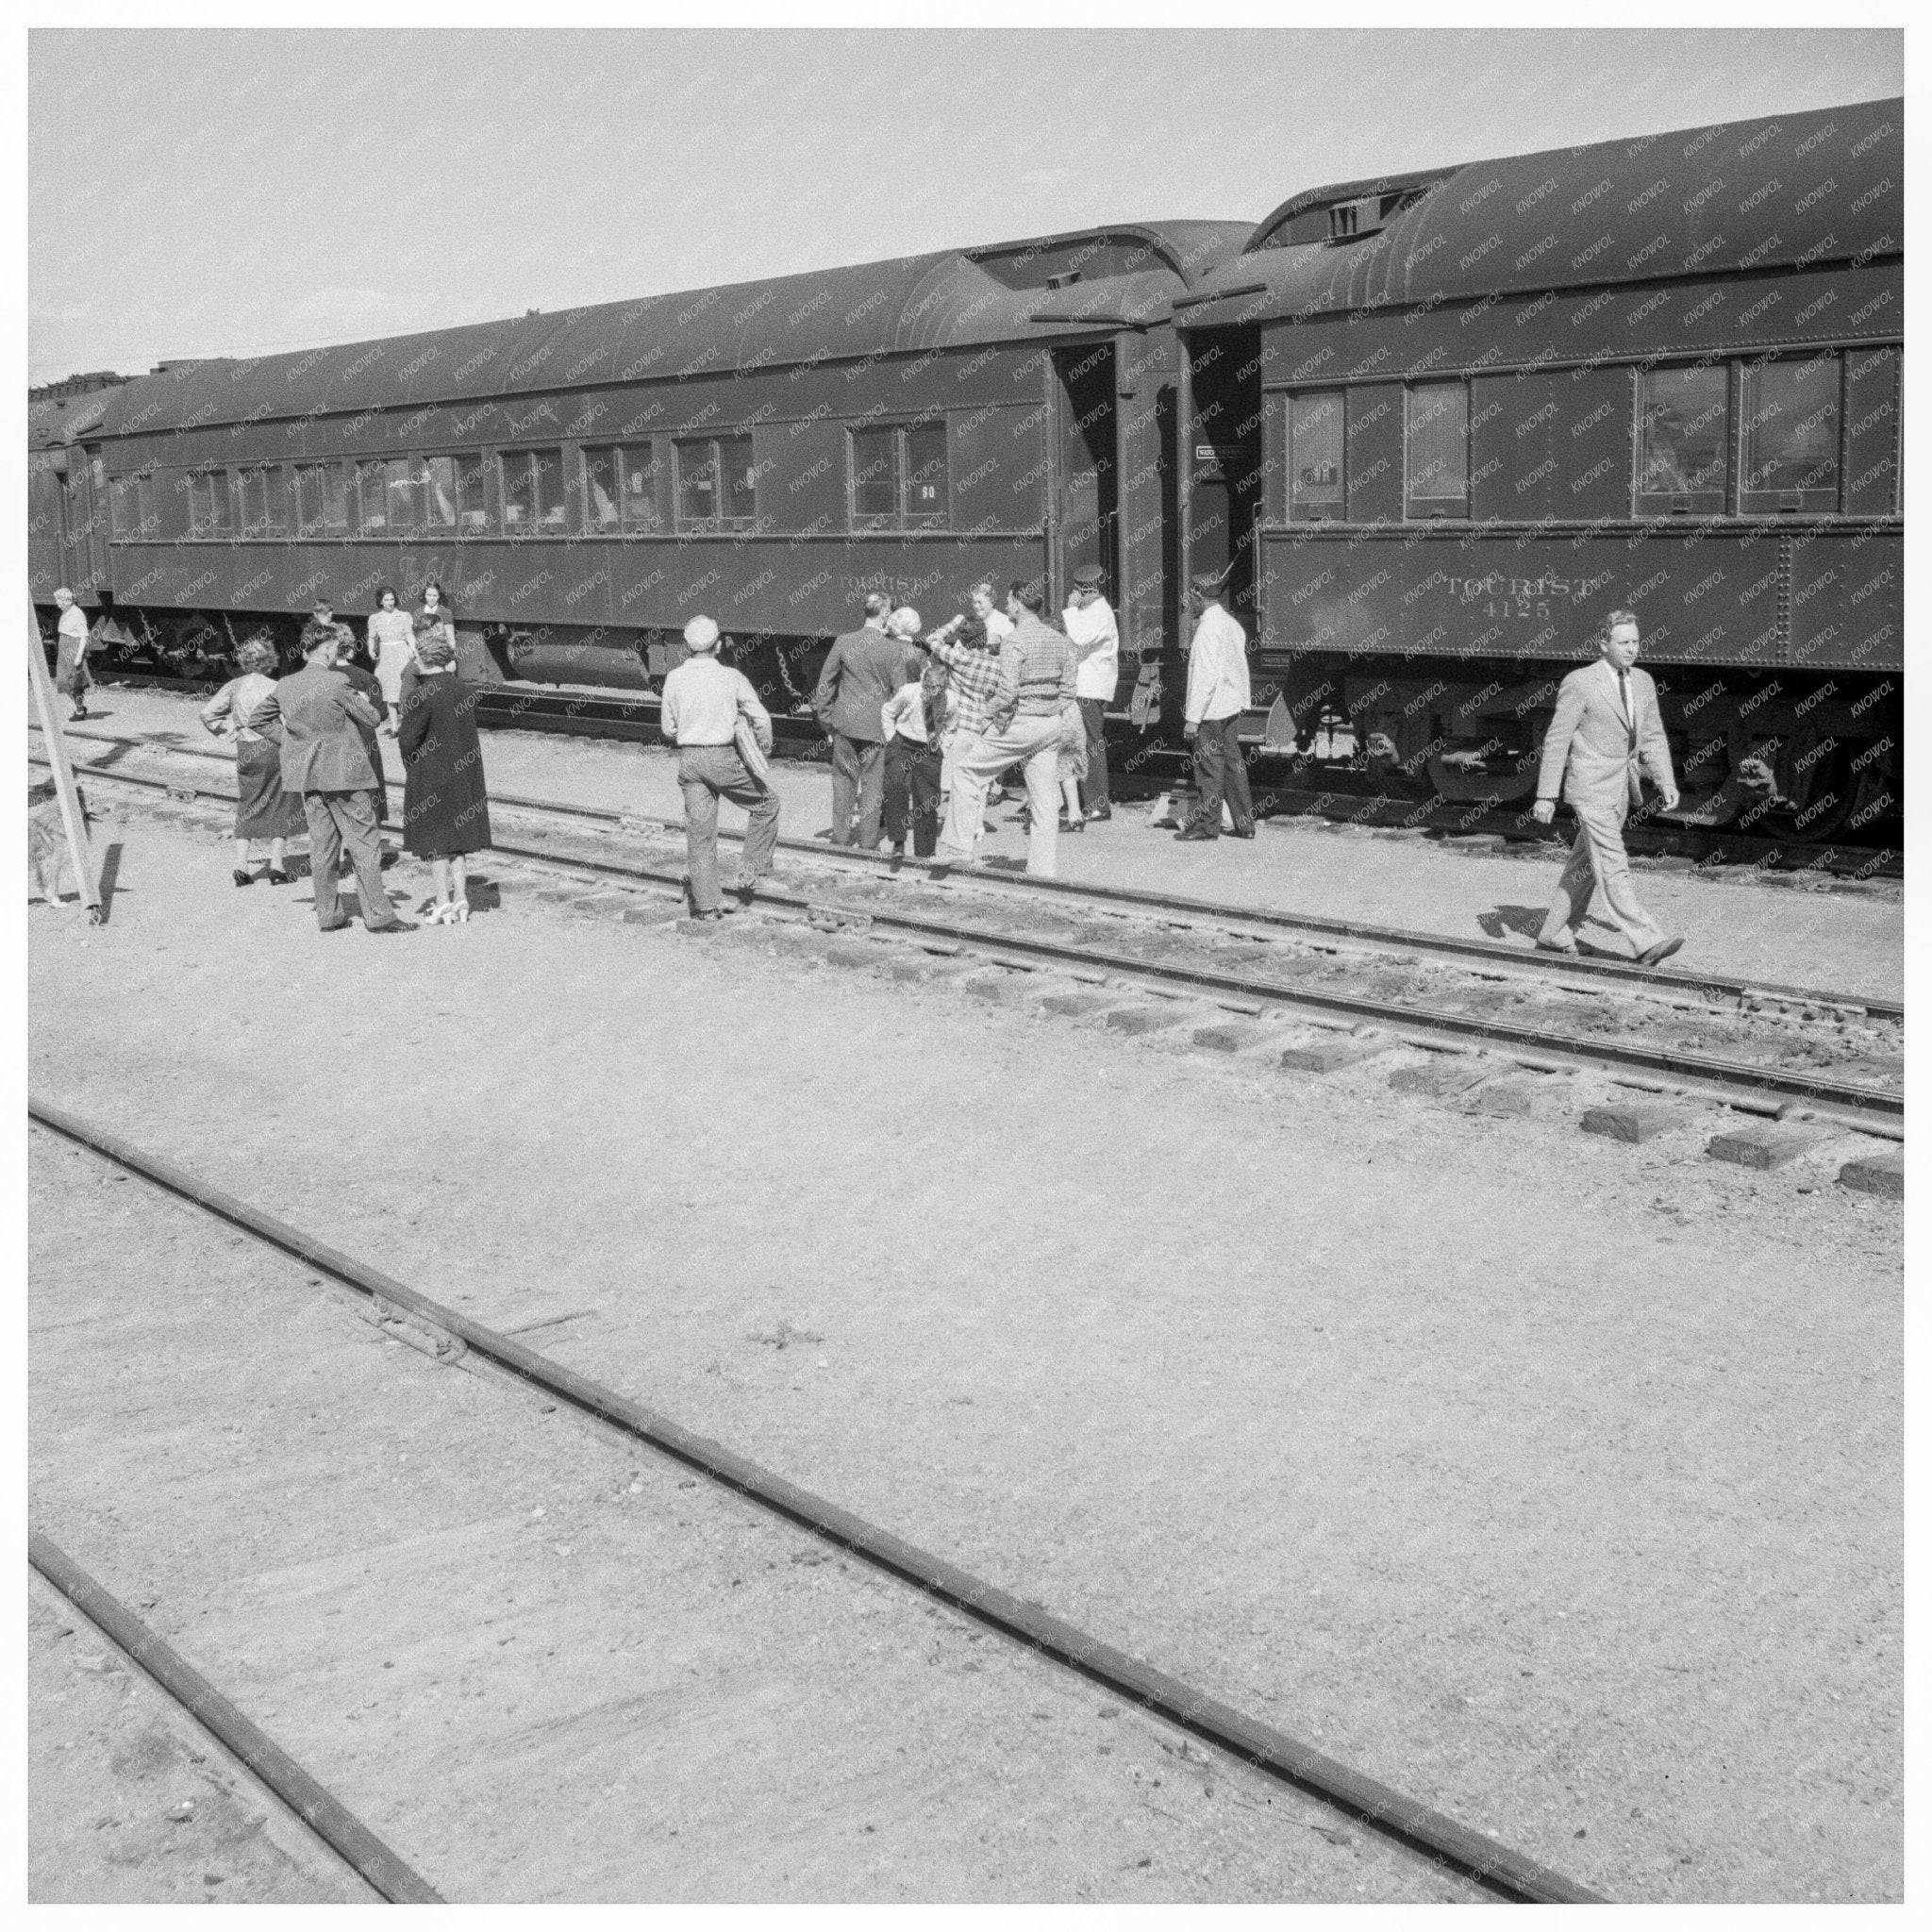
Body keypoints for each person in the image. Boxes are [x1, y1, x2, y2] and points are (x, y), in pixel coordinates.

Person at [1532, 608, 1684, 965]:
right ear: (1603, 644)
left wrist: (1665, 781)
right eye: (1624, 642)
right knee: (1613, 863)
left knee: (1585, 864)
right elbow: (1557, 741)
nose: (1632, 649)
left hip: (1621, 788)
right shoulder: (1580, 681)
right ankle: (1647, 940)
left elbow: (1652, 736)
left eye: (1636, 642)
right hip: (1590, 788)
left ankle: (1552, 932)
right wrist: (1545, 795)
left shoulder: (1644, 682)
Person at [252, 627, 411, 934]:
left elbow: (258, 719)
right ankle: (379, 916)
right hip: (345, 776)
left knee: (323, 848)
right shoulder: (337, 682)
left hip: (309, 777)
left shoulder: (286, 684)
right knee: (364, 844)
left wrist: (291, 742)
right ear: (326, 650)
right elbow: (373, 718)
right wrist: (362, 698)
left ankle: (329, 916)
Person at [935, 581, 1076, 878]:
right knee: (1044, 799)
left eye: (1009, 601)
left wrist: (987, 716)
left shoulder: (1014, 640)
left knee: (966, 772)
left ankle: (956, 850)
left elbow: (1008, 692)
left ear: (1016, 604)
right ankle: (1042, 870)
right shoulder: (1060, 639)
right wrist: (1050, 711)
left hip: (1020, 722)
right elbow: (1069, 691)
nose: (1007, 606)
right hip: (1051, 726)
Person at [660, 614, 778, 921]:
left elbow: (668, 729)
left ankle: (707, 907)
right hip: (722, 758)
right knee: (767, 804)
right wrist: (762, 747)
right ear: (718, 644)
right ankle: (750, 873)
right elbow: (762, 718)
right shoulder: (732, 677)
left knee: (700, 836)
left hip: (689, 760)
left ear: (687, 645)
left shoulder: (673, 678)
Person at [397, 631, 491, 924]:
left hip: (431, 776)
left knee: (436, 843)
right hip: (463, 773)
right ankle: (462, 900)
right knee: (458, 841)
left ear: (423, 658)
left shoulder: (420, 695)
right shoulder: (463, 689)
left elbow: (408, 741)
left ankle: (442, 902)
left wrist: (413, 767)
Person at [199, 635, 302, 886]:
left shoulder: (234, 685)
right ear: (270, 661)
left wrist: (230, 729)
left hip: (246, 748)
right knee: (281, 803)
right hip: (273, 748)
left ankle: (241, 868)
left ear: (244, 661)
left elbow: (207, 713)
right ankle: (276, 867)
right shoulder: (276, 686)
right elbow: (289, 720)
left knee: (248, 803)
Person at [811, 591, 906, 847]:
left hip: (845, 724)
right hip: (876, 727)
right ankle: (868, 842)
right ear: (885, 613)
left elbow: (825, 685)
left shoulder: (843, 641)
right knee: (873, 786)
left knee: (843, 782)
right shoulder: (893, 649)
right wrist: (893, 727)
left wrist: (826, 719)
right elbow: (900, 694)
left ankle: (840, 839)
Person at [1176, 571, 1256, 841]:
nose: (1189, 600)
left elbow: (1205, 678)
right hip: (1230, 708)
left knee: (1209, 769)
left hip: (1210, 711)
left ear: (1199, 594)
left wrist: (1192, 718)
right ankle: (1245, 825)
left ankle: (1207, 827)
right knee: (1234, 765)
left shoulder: (1207, 630)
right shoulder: (1232, 624)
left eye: (1191, 594)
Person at [879, 612, 946, 866]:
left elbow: (951, 722)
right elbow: (888, 711)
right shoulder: (910, 691)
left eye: (936, 691)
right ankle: (897, 842)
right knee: (896, 789)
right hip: (903, 743)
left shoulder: (949, 701)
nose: (931, 694)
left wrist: (944, 745)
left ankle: (925, 852)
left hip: (928, 748)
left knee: (927, 798)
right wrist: (891, 738)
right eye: (928, 689)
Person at [1063, 564, 1119, 821]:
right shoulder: (1091, 610)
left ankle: (1098, 803)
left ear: (1089, 590)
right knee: (1079, 743)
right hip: (1083, 686)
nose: (1075, 595)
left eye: (1078, 591)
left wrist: (1070, 609)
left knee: (1091, 744)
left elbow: (1080, 637)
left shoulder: (1101, 612)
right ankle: (1083, 800)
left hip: (1090, 687)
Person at [366, 587, 417, 732]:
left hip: (401, 654)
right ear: (381, 602)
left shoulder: (404, 616)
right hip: (386, 656)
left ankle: (408, 725)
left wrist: (413, 648)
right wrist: (371, 650)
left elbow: (409, 634)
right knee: (389, 690)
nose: (390, 602)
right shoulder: (375, 618)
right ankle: (394, 727)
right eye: (386, 600)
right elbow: (372, 637)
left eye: (392, 599)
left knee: (404, 688)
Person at [53, 589, 92, 721]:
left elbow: (84, 636)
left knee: (75, 684)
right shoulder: (66, 611)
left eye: (60, 602)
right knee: (63, 682)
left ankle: (80, 710)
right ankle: (79, 707)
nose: (58, 605)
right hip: (64, 650)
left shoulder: (77, 614)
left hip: (73, 650)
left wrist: (78, 656)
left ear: (67, 601)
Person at [415, 582, 456, 664]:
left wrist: (450, 657)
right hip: (423, 654)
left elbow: (450, 637)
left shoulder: (446, 612)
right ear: (424, 596)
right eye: (429, 595)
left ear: (439, 596)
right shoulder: (417, 612)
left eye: (434, 596)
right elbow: (416, 636)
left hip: (441, 654)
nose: (431, 598)